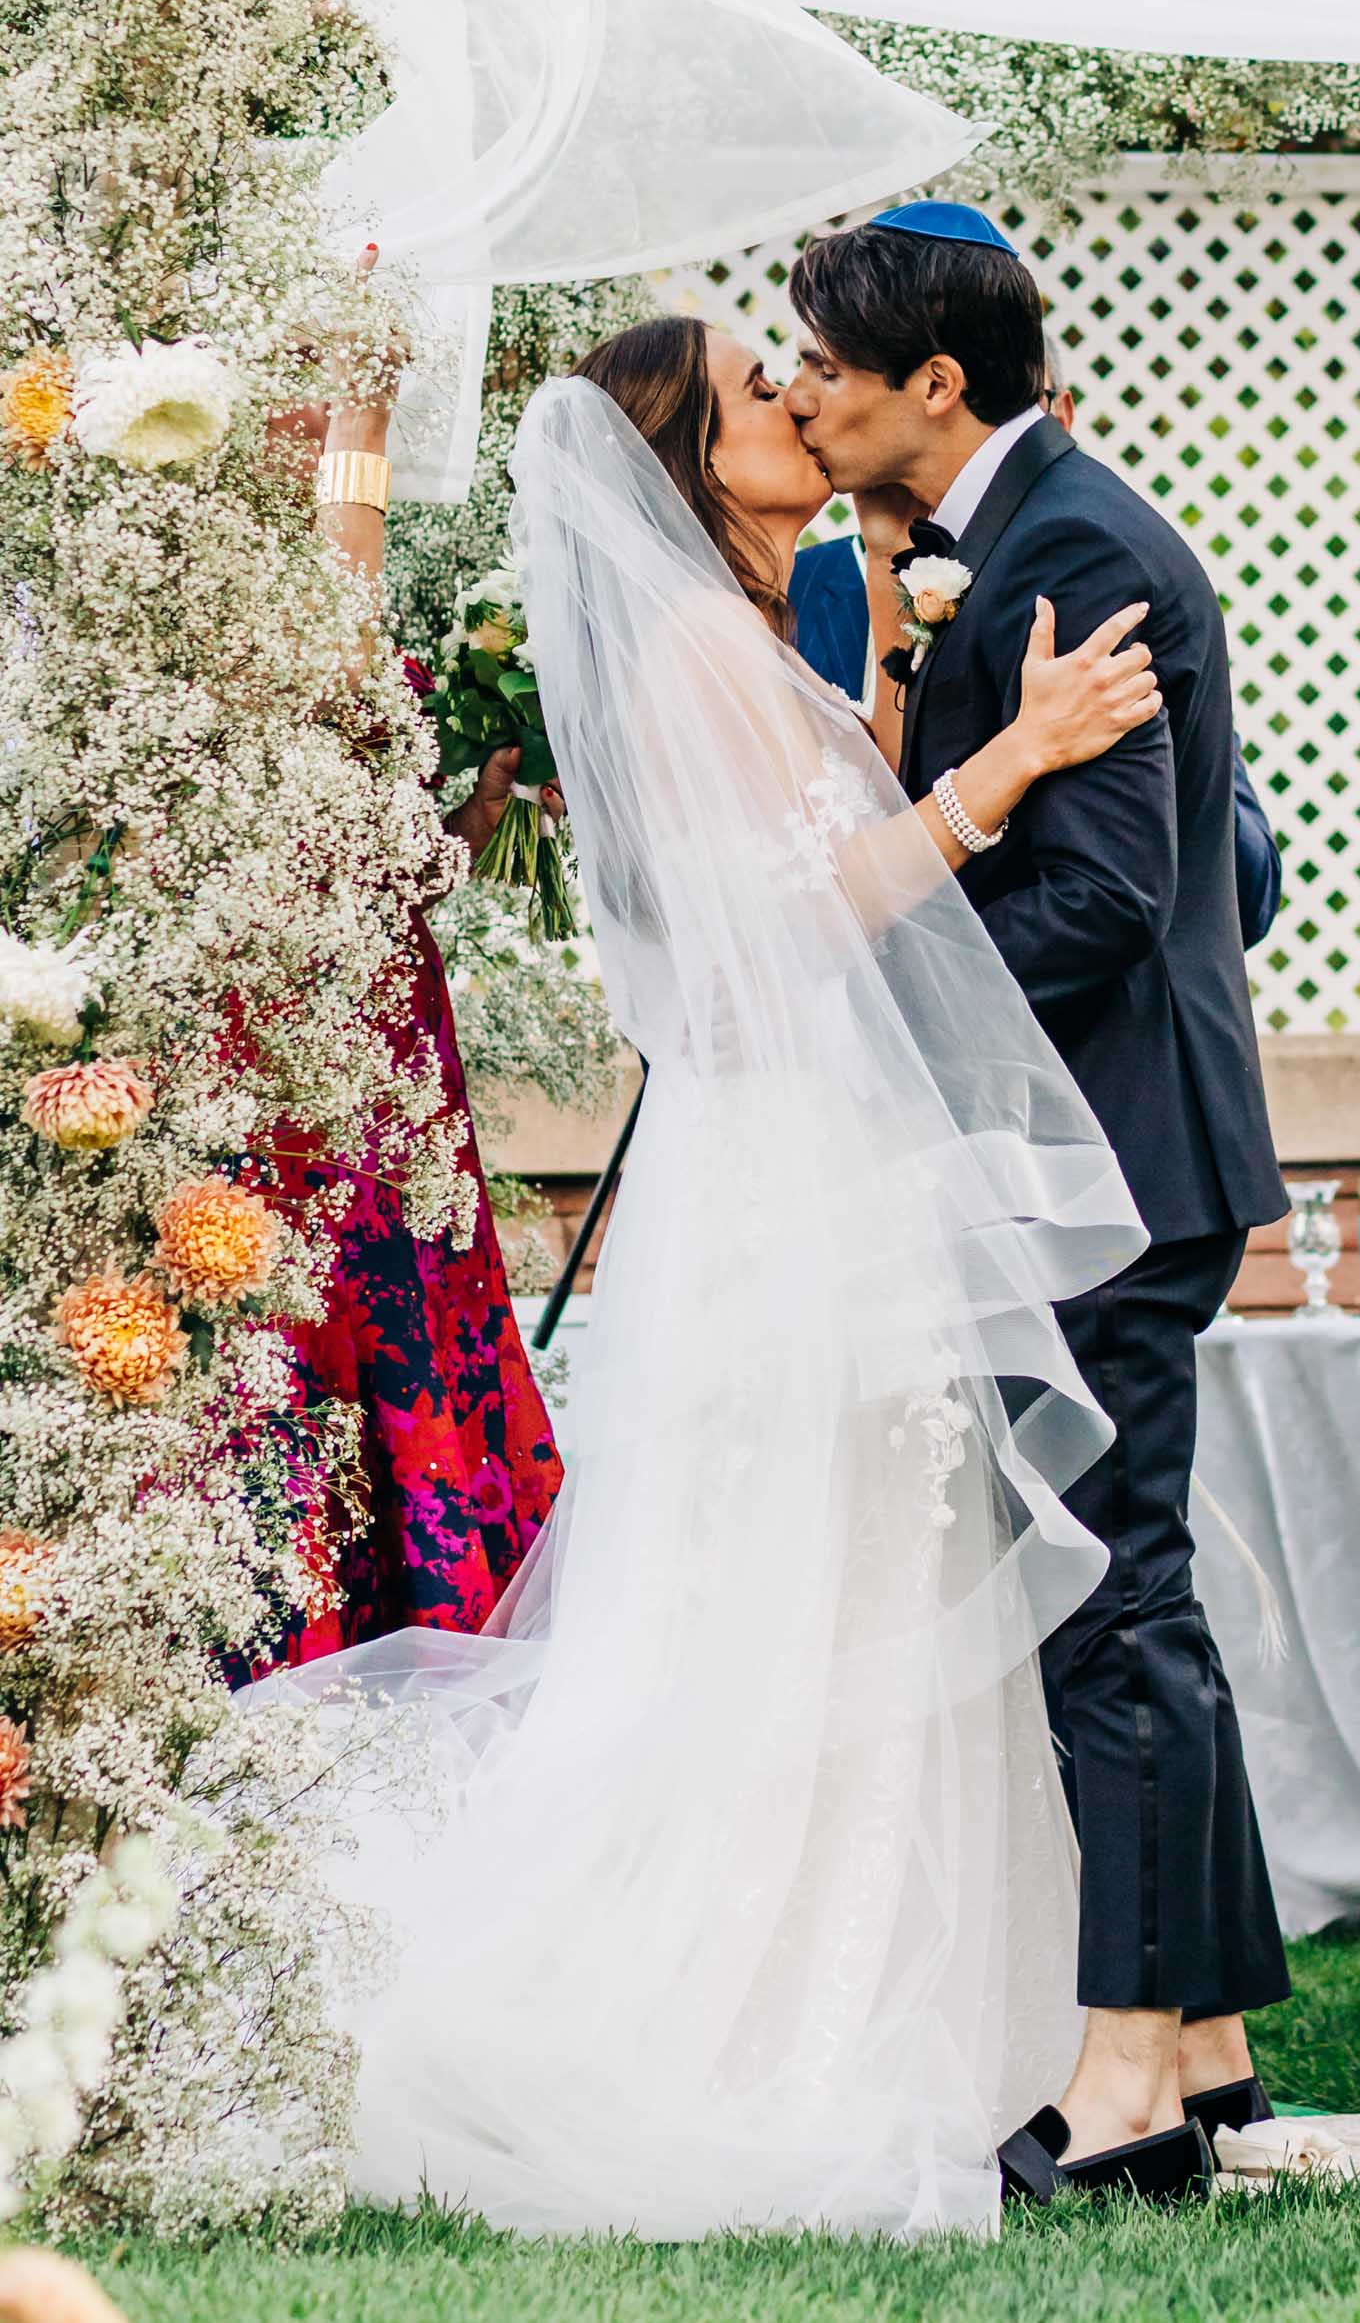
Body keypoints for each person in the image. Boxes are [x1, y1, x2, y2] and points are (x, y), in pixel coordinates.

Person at [243, 321, 1172, 2239]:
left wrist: (921, 680)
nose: (803, 403)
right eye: (764, 390)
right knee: (798, 1597)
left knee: (854, 1582)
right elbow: (798, 916)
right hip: (785, 1185)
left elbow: (833, 835)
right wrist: (1019, 755)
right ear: (686, 455)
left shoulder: (763, 636)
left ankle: (881, 2016)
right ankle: (738, 2030)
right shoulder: (691, 652)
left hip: (821, 1160)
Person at [785, 201, 1292, 2203]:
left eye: (829, 359)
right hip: (1077, 1157)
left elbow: (1101, 895)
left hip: (1101, 1163)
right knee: (1120, 1589)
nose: (805, 387)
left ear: (935, 382)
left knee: (1109, 1606)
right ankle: (1204, 2039)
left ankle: (1120, 2095)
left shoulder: (1074, 552)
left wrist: (876, 959)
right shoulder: (1006, 539)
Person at [247, 256, 564, 1666]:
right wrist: (358, 438)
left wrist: (451, 832)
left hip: (377, 1020)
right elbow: (316, 689)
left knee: (404, 1313)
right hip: (294, 1041)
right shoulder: (236, 580)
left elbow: (338, 795)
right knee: (323, 1342)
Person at [791, 340, 1284, 950]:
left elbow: (1246, 896)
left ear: (1061, 419)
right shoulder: (803, 593)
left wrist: (1159, 755)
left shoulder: (1091, 577)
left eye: (1019, 415)